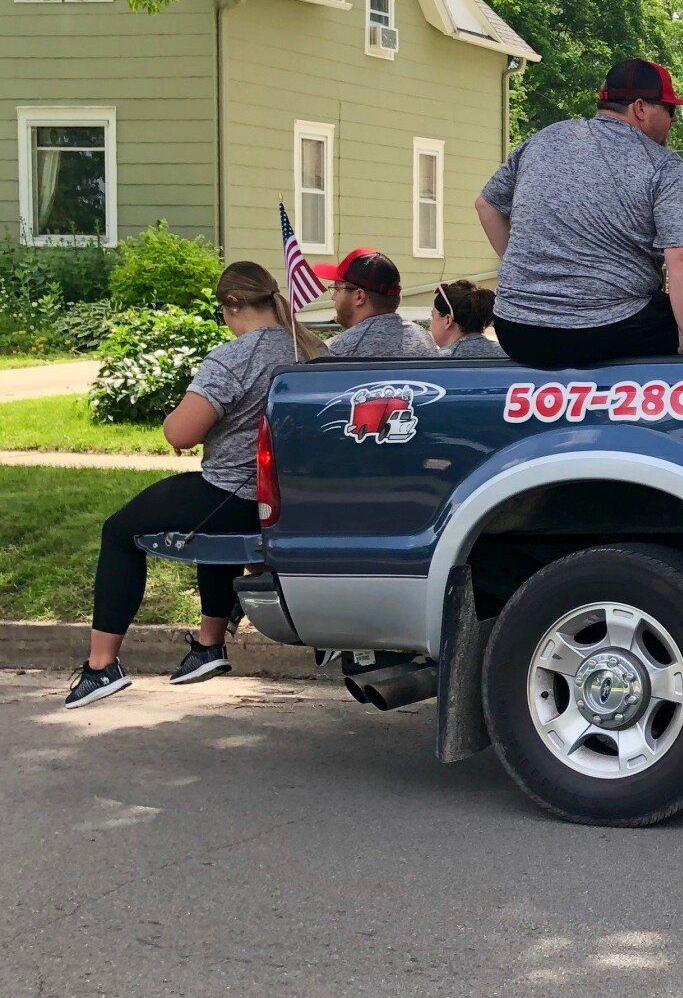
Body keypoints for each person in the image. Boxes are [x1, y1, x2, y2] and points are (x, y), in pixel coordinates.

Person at [65, 263, 328, 709]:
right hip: (288, 500)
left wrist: (173, 415)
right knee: (211, 523)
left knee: (120, 530)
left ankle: (101, 665)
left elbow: (181, 433)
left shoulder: (235, 357)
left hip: (233, 493)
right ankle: (208, 646)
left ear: (231, 305)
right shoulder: (310, 352)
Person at [476, 58, 683, 367]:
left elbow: (486, 205)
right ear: (641, 108)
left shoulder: (542, 141)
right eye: (670, 110)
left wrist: (527, 274)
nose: (673, 121)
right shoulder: (662, 164)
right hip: (604, 328)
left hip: (517, 331)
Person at [316, 249, 439, 358]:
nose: (333, 297)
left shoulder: (336, 352)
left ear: (359, 296)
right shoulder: (424, 340)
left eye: (337, 288)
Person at [429, 279, 508, 358]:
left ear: (448, 320)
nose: (430, 325)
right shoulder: (508, 354)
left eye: (433, 316)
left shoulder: (436, 362)